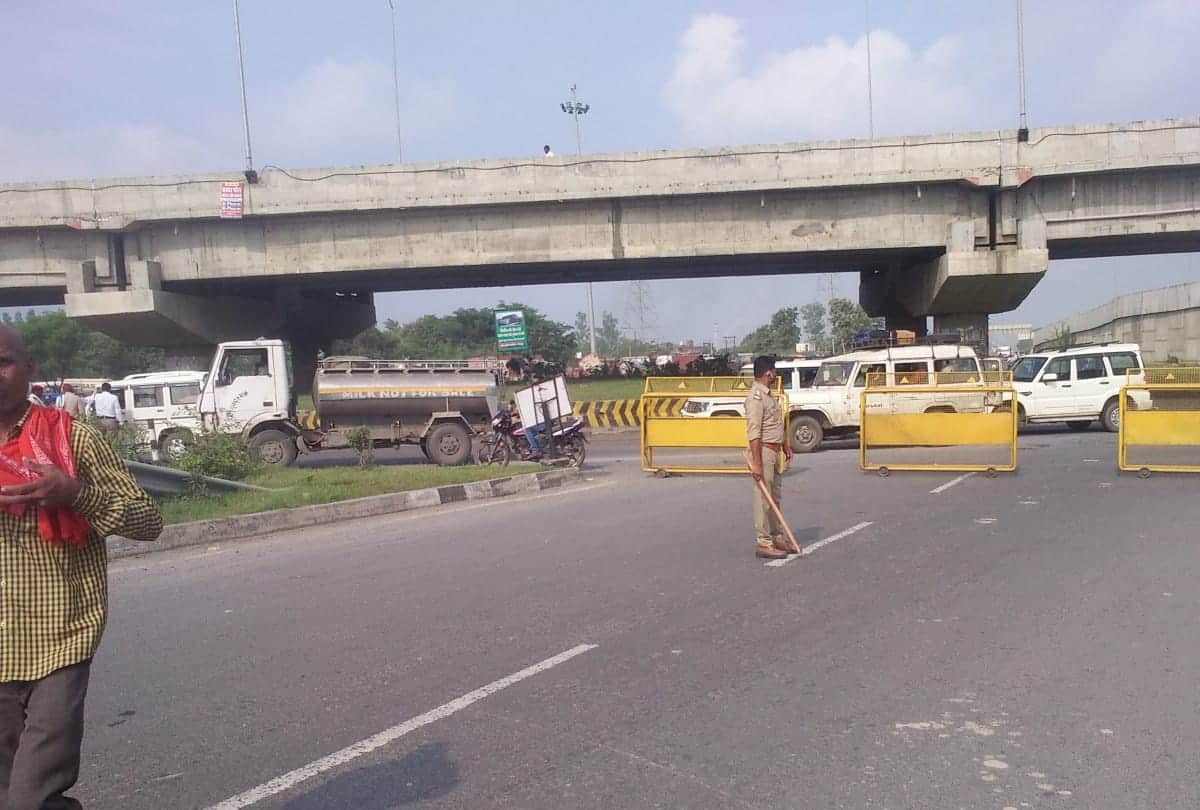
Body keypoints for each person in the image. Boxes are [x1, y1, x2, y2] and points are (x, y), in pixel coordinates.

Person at [0, 325, 163, 809]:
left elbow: (148, 520)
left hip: (60, 636)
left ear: (29, 369)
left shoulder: (74, 437)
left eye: (3, 361)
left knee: (30, 797)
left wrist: (76, 494)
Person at [745, 355, 793, 559]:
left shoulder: (768, 395)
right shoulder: (755, 397)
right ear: (768, 373)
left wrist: (785, 445)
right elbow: (754, 433)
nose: (775, 374)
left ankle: (777, 537)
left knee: (775, 498)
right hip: (763, 452)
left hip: (774, 451)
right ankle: (763, 542)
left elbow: (774, 424)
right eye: (773, 370)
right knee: (764, 500)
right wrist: (756, 463)